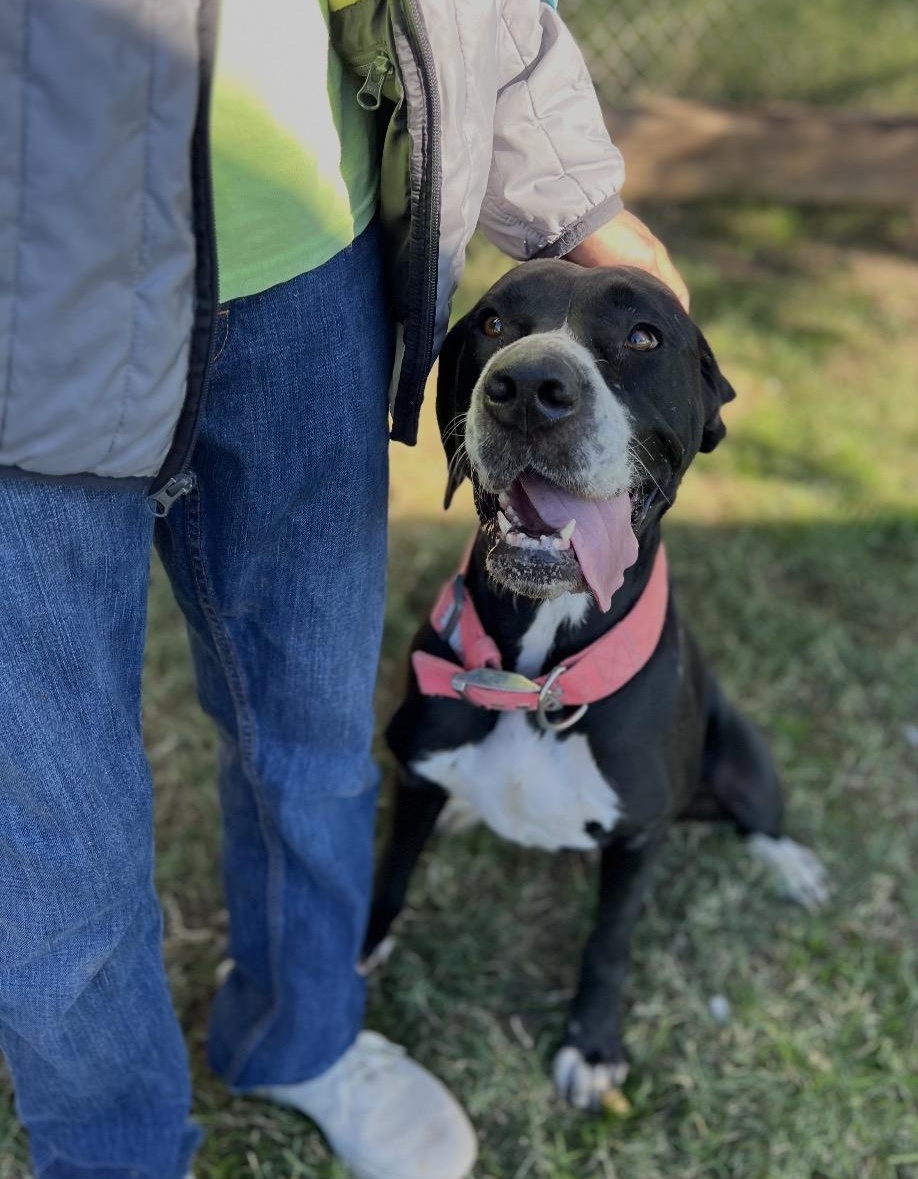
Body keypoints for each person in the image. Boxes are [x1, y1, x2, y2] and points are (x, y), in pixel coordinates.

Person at [0, 0, 687, 1176]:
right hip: (26, 287)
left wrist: (571, 185)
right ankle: (115, 1154)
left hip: (309, 260)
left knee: (310, 737)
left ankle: (301, 1034)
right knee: (54, 832)